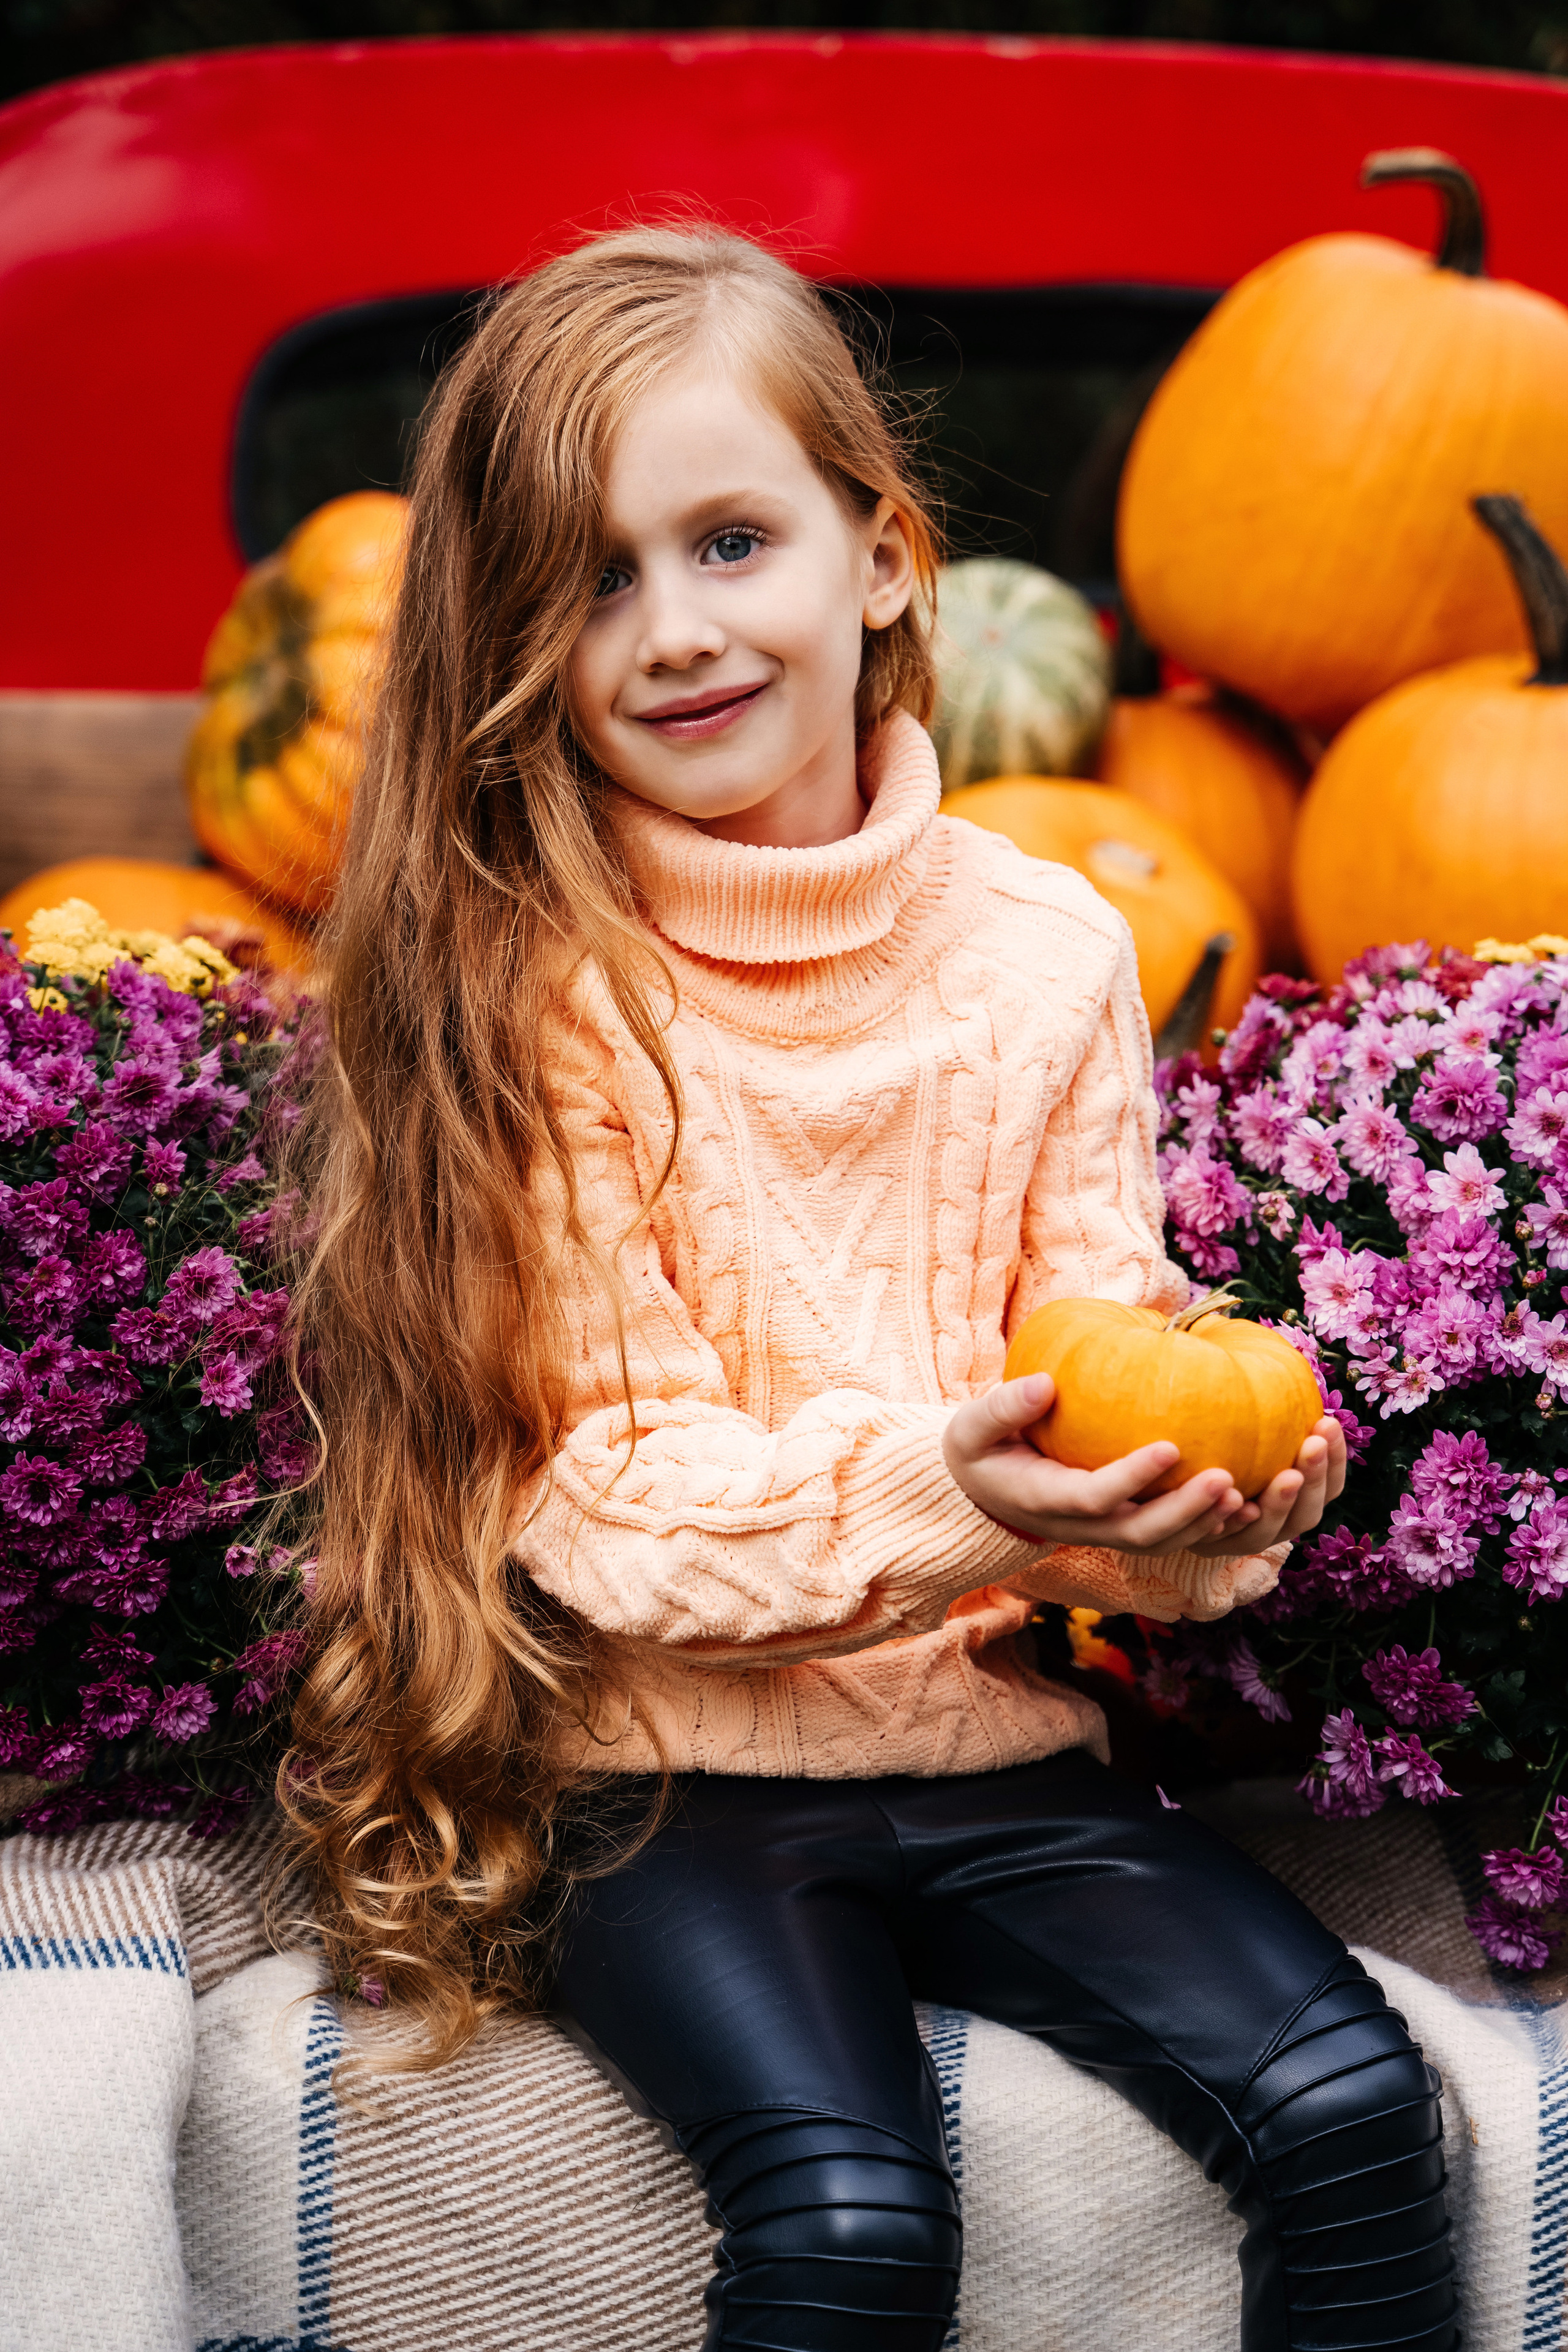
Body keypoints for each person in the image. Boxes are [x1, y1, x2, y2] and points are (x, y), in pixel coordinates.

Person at [281, 226, 1459, 2352]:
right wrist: (964, 1491)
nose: (677, 629)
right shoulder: (540, 991)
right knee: (845, 2218)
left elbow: (1098, 1370)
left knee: (1357, 2109)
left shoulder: (1048, 951)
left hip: (998, 1753)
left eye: (732, 539)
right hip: (654, 1783)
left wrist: (1195, 1525)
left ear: (885, 556)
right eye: (591, 578)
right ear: (511, 646)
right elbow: (606, 1491)